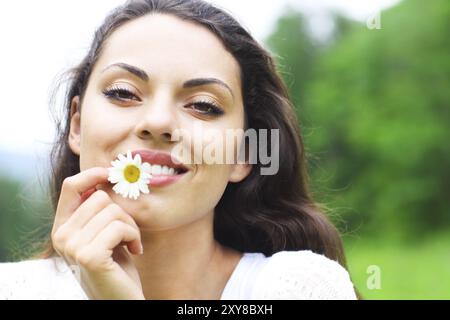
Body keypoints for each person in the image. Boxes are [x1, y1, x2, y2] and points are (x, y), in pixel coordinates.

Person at [0, 0, 357, 300]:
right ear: (77, 125)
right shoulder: (14, 290)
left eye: (203, 105)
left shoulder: (297, 288)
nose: (158, 122)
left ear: (244, 153)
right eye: (124, 93)